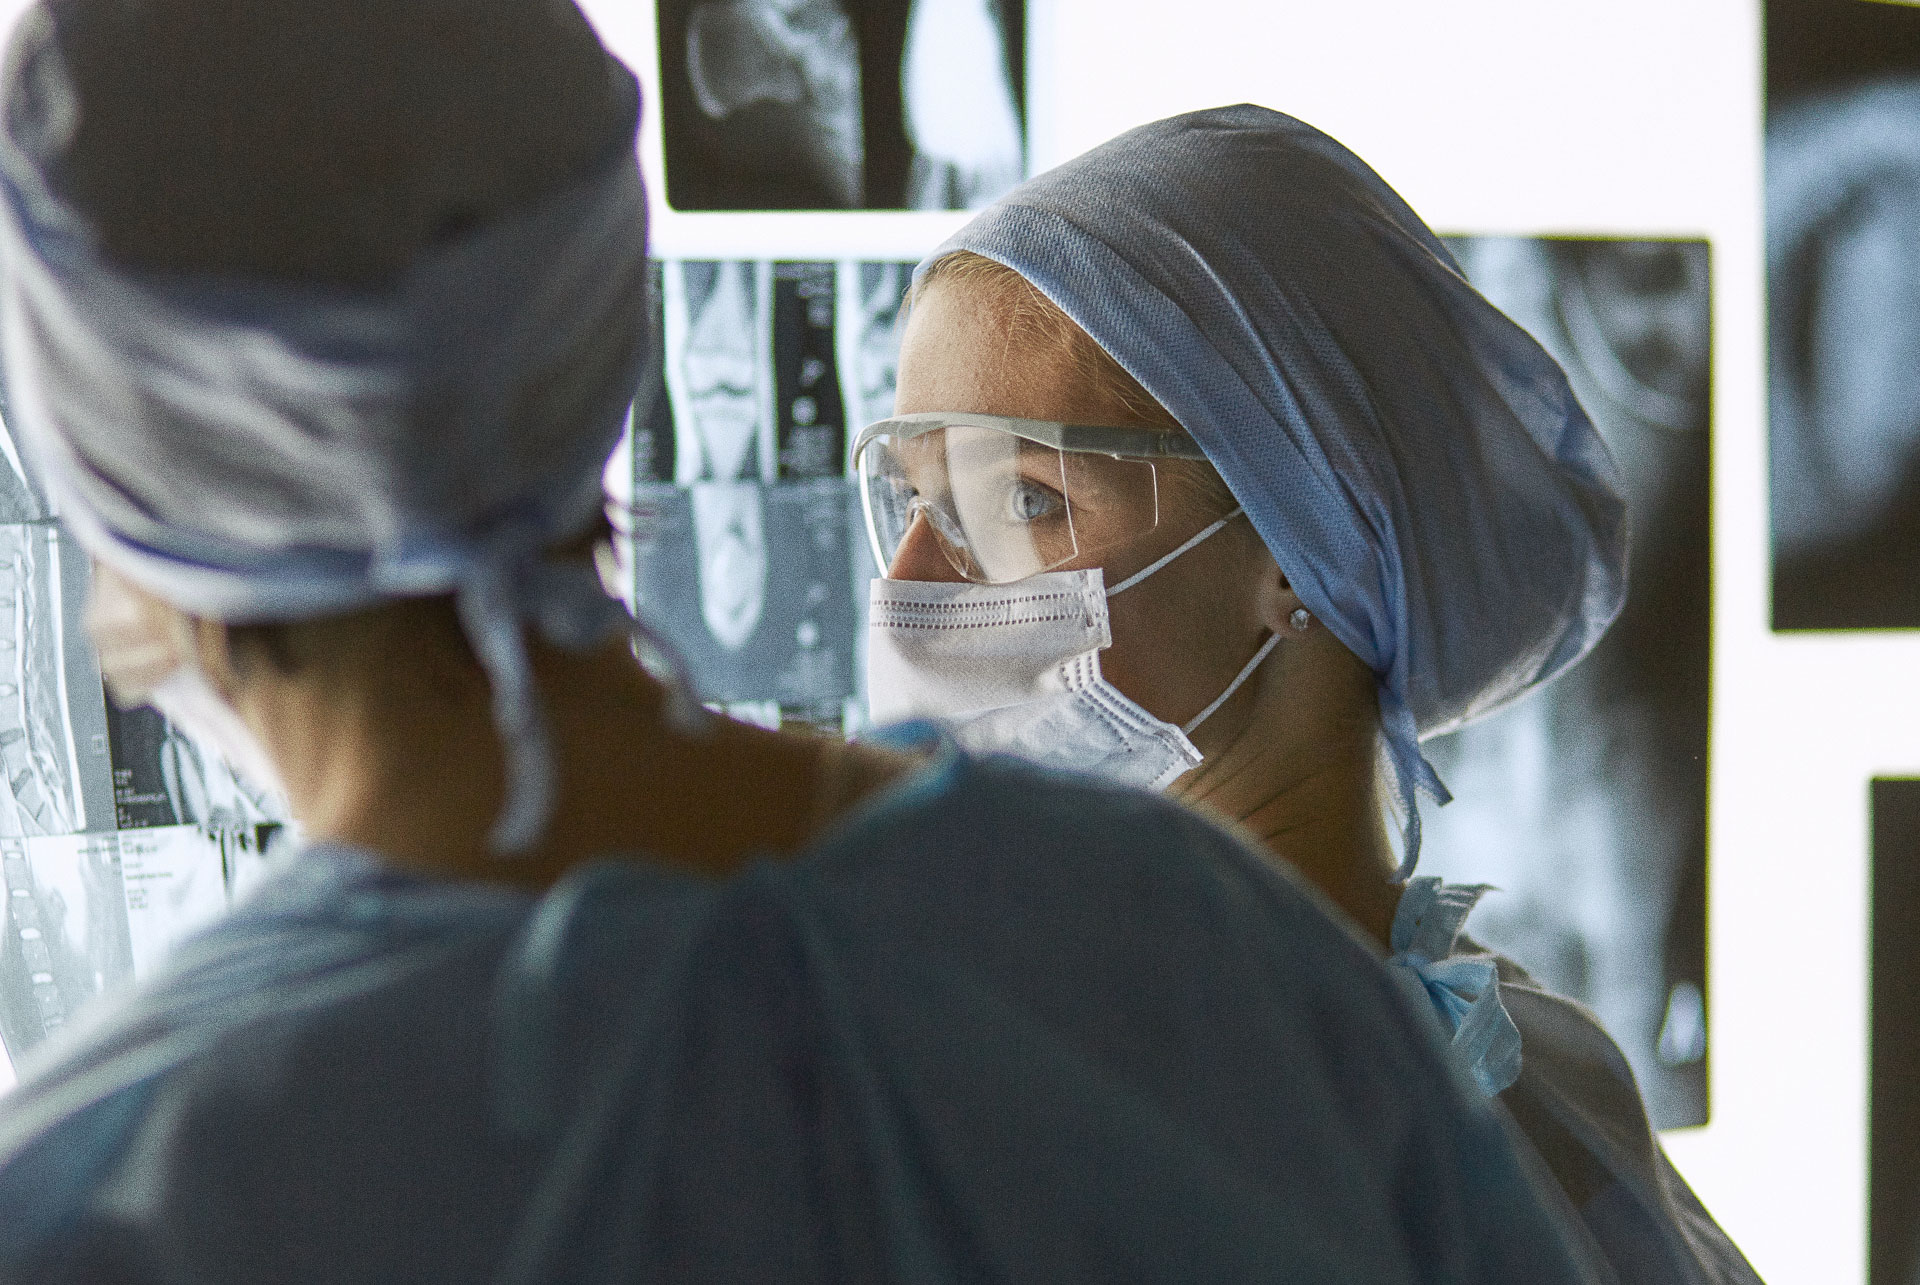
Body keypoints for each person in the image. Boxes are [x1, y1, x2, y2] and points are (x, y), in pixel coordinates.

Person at [0, 2, 1611, 1281]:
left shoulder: (120, 1186)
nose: (923, 564)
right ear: (588, 342)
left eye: (1016, 496)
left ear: (111, 469)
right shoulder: (1218, 972)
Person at [859, 106, 1762, 1281]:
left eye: (1023, 499)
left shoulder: (1137, 1115)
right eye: (910, 496)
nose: (913, 586)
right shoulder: (1522, 1065)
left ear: (1295, 544)